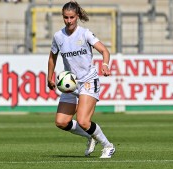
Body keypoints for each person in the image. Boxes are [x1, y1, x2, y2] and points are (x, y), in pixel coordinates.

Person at [47, 1, 115, 158]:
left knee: (83, 121)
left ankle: (108, 145)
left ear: (77, 16)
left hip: (88, 81)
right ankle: (91, 136)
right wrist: (49, 76)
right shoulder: (58, 36)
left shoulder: (85, 34)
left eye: (71, 17)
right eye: (66, 17)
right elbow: (52, 57)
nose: (69, 21)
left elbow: (104, 50)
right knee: (61, 122)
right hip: (70, 84)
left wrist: (105, 64)